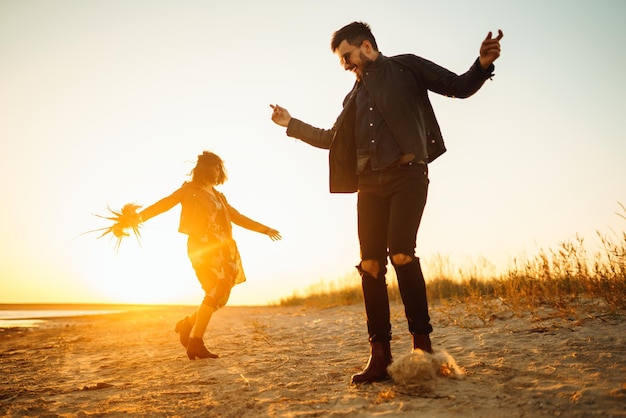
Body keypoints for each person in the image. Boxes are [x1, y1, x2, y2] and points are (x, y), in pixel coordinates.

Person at [270, 21, 502, 384]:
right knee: (371, 265)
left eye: (347, 56)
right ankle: (379, 356)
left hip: (407, 176)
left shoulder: (406, 67)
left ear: (365, 46)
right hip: (369, 186)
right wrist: (290, 123)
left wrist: (482, 65)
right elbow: (332, 138)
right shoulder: (354, 96)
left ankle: (422, 348)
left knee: (402, 254)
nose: (346, 64)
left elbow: (456, 87)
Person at [100, 151, 281, 360]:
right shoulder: (190, 190)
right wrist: (136, 218)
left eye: (218, 168)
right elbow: (164, 204)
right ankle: (196, 341)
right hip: (202, 247)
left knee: (220, 298)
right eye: (211, 168)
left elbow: (237, 217)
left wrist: (264, 229)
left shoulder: (218, 196)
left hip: (225, 249)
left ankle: (187, 325)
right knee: (217, 289)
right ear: (202, 170)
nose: (215, 172)